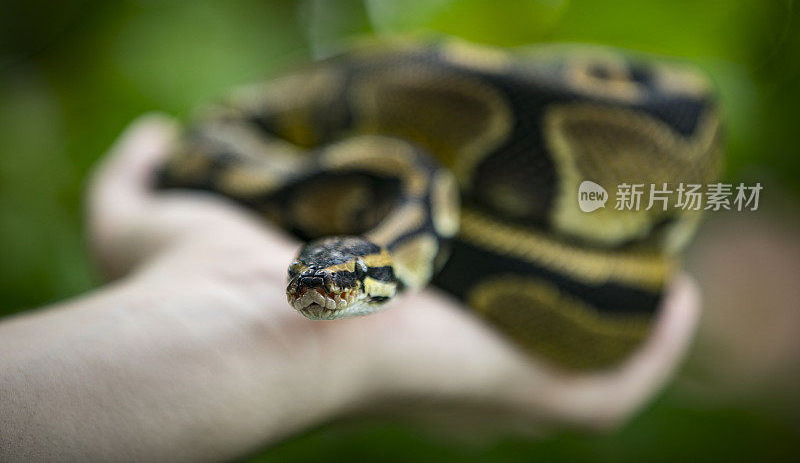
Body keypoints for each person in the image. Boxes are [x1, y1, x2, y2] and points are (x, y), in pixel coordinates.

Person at [0, 115, 700, 462]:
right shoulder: (386, 221)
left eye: (335, 279)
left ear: (375, 270)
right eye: (306, 274)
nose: (312, 287)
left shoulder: (398, 218)